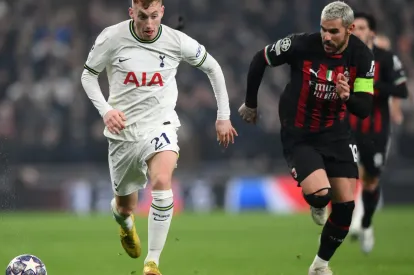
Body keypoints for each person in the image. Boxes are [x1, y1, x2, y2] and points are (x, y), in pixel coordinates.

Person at [81, 0, 237, 274]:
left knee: (162, 181)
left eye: (154, 16)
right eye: (143, 17)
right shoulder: (112, 37)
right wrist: (106, 111)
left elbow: (213, 67)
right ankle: (125, 223)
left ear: (162, 12)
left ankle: (152, 262)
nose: (149, 24)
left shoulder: (176, 40)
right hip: (123, 133)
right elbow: (88, 76)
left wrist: (223, 116)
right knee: (125, 206)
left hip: (160, 124)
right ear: (132, 13)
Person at [238, 2, 374, 274]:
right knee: (321, 195)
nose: (326, 37)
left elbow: (365, 108)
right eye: (323, 30)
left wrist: (348, 97)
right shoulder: (300, 45)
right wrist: (250, 104)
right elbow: (260, 59)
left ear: (350, 30)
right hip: (300, 133)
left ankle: (320, 265)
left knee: (346, 206)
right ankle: (318, 203)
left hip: (337, 134)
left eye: (333, 32)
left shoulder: (362, 57)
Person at [348, 12, 408, 253]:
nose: (357, 32)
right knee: (346, 175)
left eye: (362, 27)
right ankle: (346, 222)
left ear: (372, 32)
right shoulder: (345, 58)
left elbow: (402, 91)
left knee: (371, 181)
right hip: (349, 128)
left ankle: (366, 223)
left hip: (376, 130)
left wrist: (375, 86)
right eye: (353, 28)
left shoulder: (386, 58)